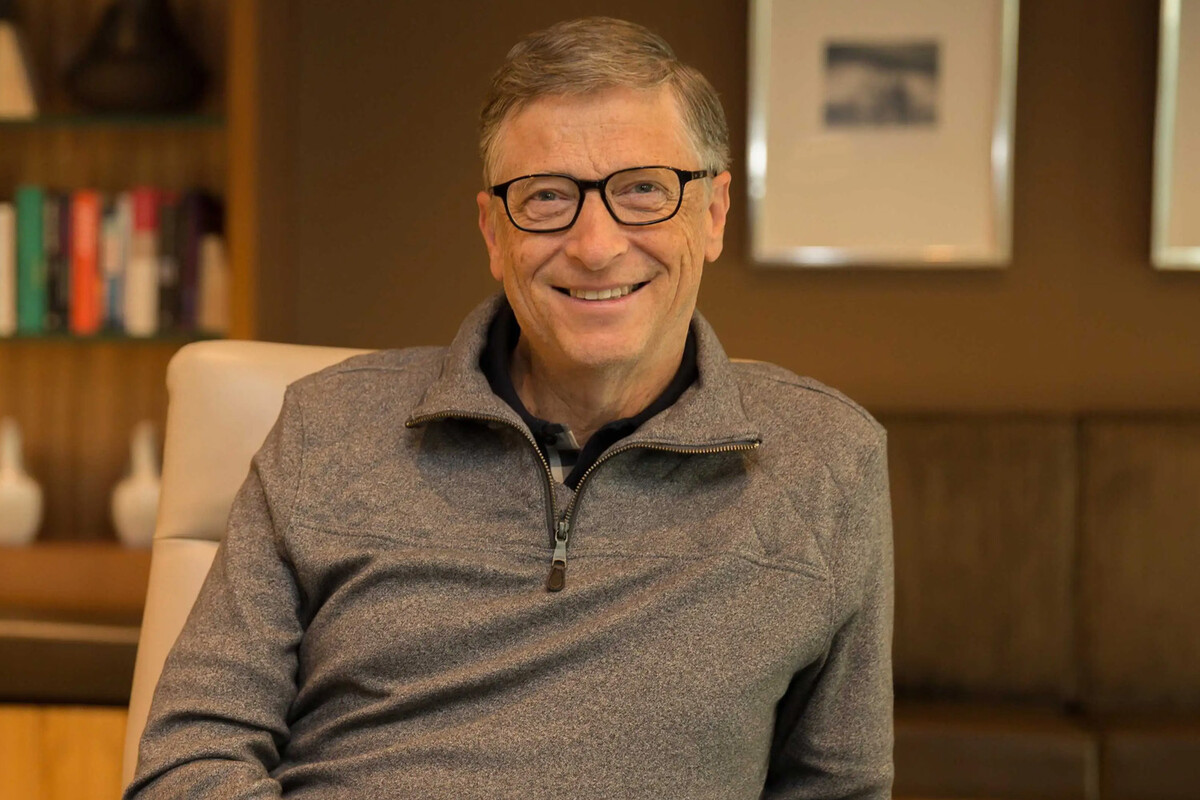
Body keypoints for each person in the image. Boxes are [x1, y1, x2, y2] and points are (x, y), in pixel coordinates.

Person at [125, 16, 893, 799]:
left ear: (714, 213)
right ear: (494, 232)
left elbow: (838, 790)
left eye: (642, 191)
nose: (596, 246)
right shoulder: (325, 427)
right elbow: (187, 762)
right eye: (548, 197)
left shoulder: (828, 462)